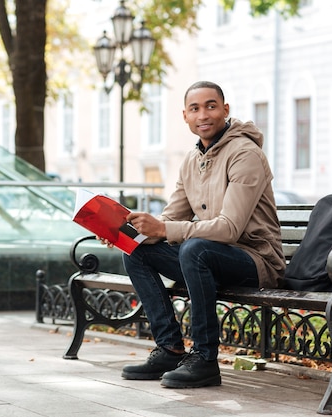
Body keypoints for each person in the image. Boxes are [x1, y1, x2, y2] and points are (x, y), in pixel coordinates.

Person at [103, 81, 285, 388]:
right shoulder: (191, 160)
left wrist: (164, 229)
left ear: (225, 110)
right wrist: (125, 233)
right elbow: (172, 217)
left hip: (256, 261)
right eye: (195, 108)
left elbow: (229, 228)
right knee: (136, 252)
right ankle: (170, 348)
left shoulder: (245, 154)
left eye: (211, 106)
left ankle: (205, 359)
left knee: (194, 249)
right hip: (208, 260)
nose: (204, 114)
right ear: (185, 116)